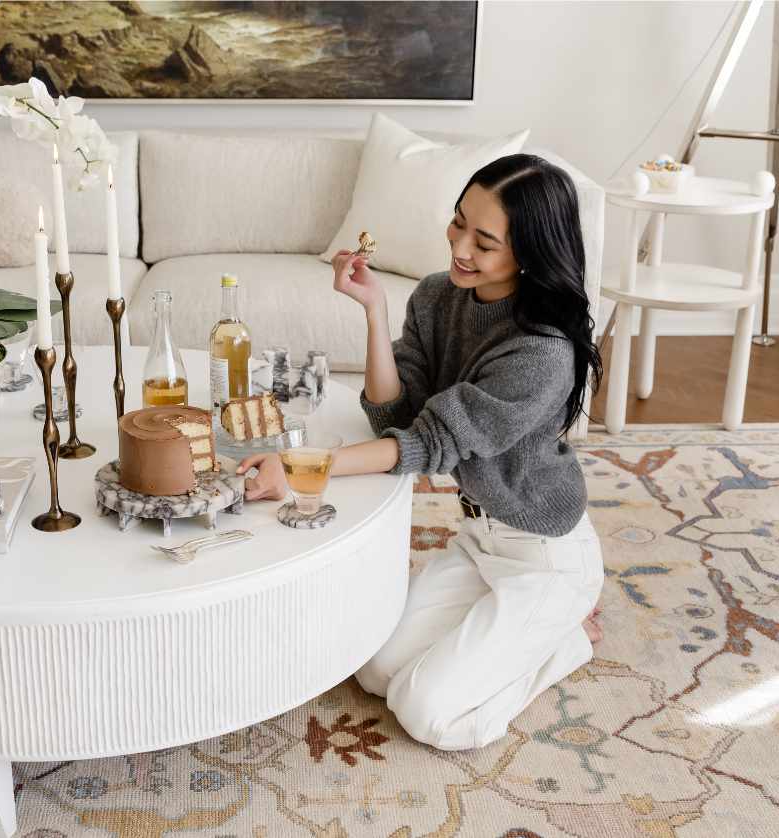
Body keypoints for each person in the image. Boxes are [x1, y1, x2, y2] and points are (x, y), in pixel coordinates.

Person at [237, 153, 605, 751]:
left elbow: (424, 447)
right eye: (459, 222)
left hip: (544, 555)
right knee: (373, 666)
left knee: (428, 712)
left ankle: (566, 638)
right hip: (480, 539)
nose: (459, 246)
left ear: (529, 253)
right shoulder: (438, 295)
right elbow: (395, 415)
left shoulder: (541, 353)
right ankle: (522, 631)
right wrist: (375, 310)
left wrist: (304, 469)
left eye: (483, 242)